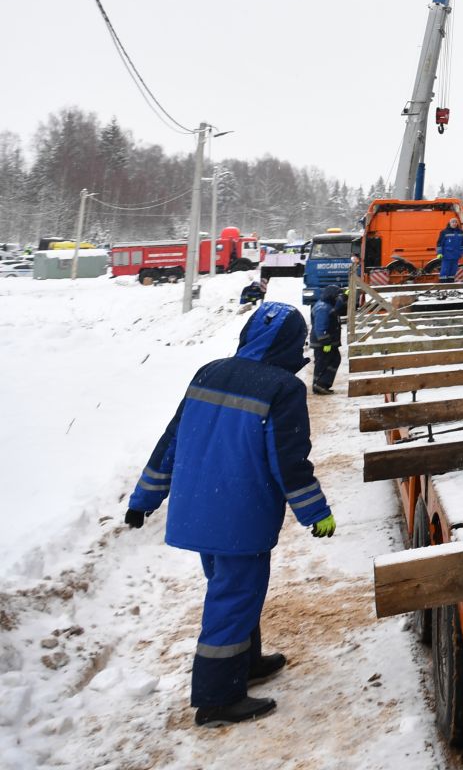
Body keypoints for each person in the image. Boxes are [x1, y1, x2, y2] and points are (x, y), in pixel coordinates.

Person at [122, 301, 336, 728]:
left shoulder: (209, 371)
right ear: (293, 343)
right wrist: (315, 511)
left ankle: (246, 662)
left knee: (233, 593)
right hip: (241, 514)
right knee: (233, 598)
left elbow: (172, 440)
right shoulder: (282, 388)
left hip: (200, 509)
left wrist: (143, 499)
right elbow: (289, 461)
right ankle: (217, 698)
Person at [309, 286, 345, 394]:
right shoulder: (323, 308)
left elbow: (338, 309)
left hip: (327, 341)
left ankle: (323, 384)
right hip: (322, 342)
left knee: (333, 360)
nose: (338, 299)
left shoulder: (327, 306)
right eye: (337, 296)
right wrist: (325, 341)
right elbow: (320, 327)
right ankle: (319, 385)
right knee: (323, 362)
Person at [436, 216, 463, 282]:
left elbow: (462, 244)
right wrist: (439, 253)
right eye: (452, 222)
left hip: (456, 255)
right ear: (449, 223)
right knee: (445, 270)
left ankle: (451, 284)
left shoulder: (460, 232)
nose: (454, 223)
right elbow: (439, 243)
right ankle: (443, 285)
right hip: (446, 255)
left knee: (453, 271)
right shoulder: (444, 232)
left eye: (455, 222)